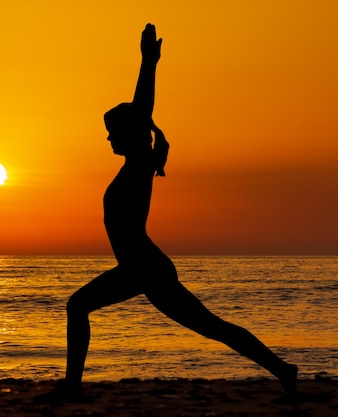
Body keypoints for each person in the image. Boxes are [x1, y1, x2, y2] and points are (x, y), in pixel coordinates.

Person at [37, 23, 298, 403]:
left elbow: (142, 110)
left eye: (112, 132)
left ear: (129, 134)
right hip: (142, 266)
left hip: (145, 267)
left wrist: (148, 63)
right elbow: (139, 117)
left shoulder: (140, 162)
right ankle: (282, 370)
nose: (108, 138)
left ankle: (72, 389)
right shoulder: (133, 166)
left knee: (84, 307)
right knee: (209, 326)